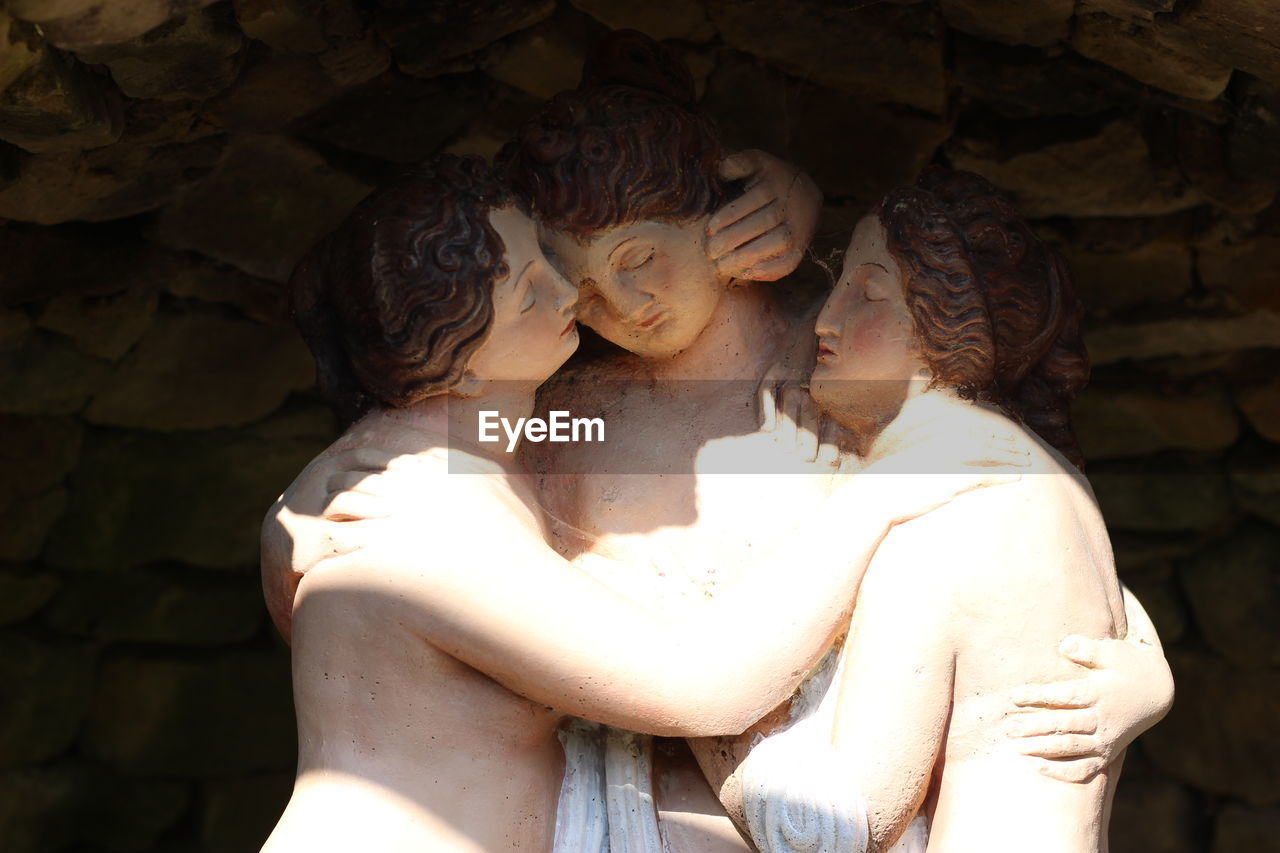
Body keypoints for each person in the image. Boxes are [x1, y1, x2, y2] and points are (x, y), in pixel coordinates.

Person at [260, 153, 1021, 853]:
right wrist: (878, 502)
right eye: (533, 289)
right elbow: (704, 688)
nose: (574, 295)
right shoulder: (428, 509)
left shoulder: (479, 436)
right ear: (455, 357)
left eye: (550, 264)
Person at [738, 168, 1173, 853]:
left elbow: (835, 819)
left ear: (941, 328)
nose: (827, 317)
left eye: (868, 291)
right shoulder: (1044, 478)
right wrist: (1155, 672)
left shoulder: (938, 508)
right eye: (837, 281)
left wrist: (707, 737)